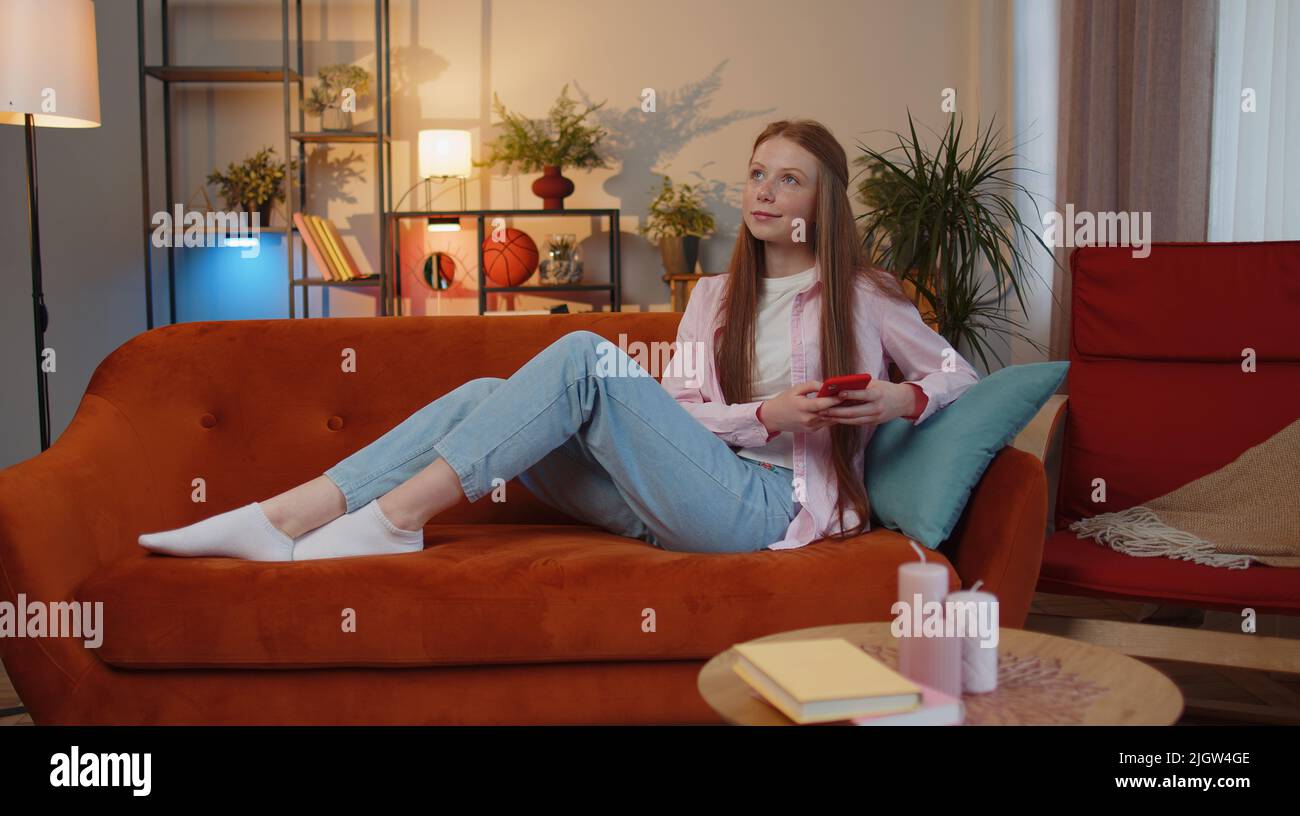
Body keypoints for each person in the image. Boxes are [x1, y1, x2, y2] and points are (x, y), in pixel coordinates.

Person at [138, 118, 978, 562]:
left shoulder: (865, 295)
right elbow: (685, 414)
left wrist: (901, 396)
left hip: (767, 510)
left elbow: (961, 377)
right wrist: (768, 412)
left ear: (822, 200)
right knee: (480, 399)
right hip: (668, 498)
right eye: (756, 172)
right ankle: (288, 515)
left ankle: (391, 520)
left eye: (787, 177)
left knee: (582, 354)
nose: (762, 191)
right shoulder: (714, 296)